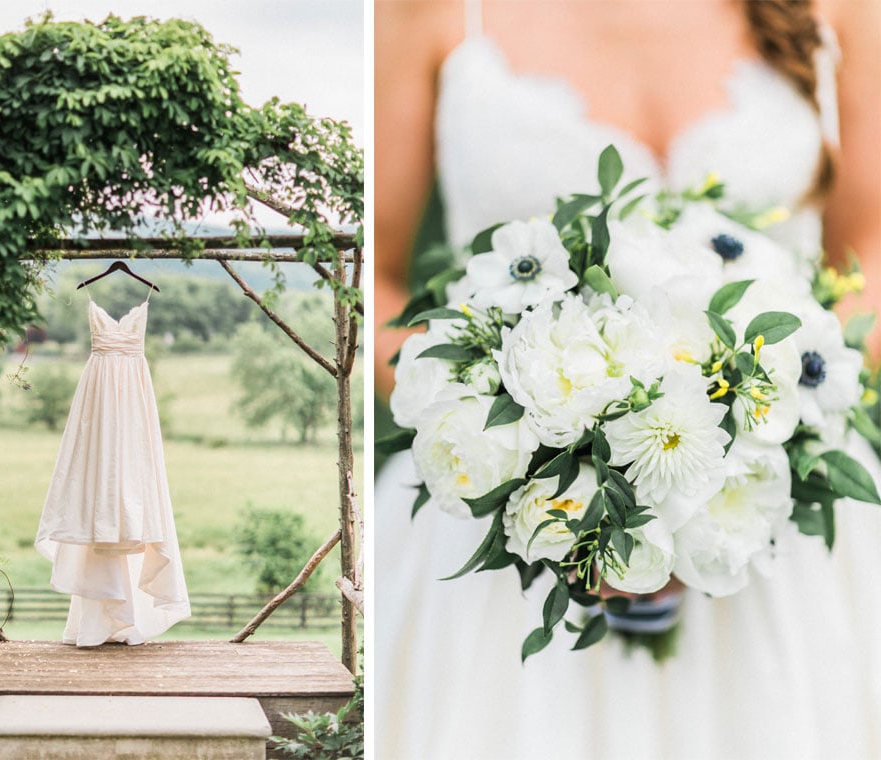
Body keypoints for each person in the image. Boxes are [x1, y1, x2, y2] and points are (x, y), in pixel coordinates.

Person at [373, 1, 881, 758]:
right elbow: (370, 276)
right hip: (511, 540)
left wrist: (748, 453)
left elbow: (867, 250)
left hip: (781, 528)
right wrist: (526, 450)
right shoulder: (431, 12)